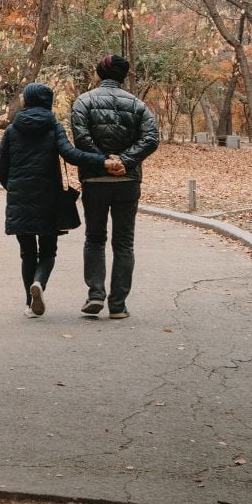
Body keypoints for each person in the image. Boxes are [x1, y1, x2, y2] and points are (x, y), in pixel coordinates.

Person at [0, 83, 116, 318]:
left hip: (20, 195)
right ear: (47, 102)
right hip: (48, 196)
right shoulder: (53, 126)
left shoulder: (12, 129)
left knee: (27, 252)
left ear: (28, 101)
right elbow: (71, 155)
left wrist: (12, 188)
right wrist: (102, 160)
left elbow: (3, 166)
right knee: (48, 251)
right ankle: (39, 283)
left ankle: (29, 303)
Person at [70, 55, 160, 320]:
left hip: (94, 180)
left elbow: (81, 137)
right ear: (123, 77)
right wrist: (125, 160)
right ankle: (118, 305)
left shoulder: (83, 101)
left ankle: (95, 294)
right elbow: (151, 138)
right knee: (124, 243)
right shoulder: (138, 105)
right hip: (127, 181)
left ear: (99, 74)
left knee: (94, 238)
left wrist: (104, 162)